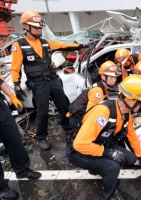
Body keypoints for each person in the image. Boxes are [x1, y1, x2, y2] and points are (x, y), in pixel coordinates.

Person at [66, 75, 141, 200]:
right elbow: (79, 144)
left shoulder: (126, 113)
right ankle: (109, 194)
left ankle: (97, 168)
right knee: (112, 167)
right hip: (78, 151)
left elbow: (131, 135)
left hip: (100, 143)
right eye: (140, 102)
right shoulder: (103, 112)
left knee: (130, 158)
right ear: (129, 100)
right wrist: (108, 153)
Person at [10, 10, 87, 150]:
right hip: (39, 84)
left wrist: (80, 46)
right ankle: (41, 138)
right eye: (36, 28)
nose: (39, 30)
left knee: (63, 107)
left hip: (53, 80)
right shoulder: (19, 45)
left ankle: (68, 129)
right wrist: (16, 85)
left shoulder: (46, 43)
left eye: (40, 28)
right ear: (26, 27)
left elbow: (63, 46)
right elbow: (15, 68)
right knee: (42, 112)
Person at [0, 74, 42, 200]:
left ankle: (22, 169)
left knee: (14, 140)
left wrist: (12, 97)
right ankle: (1, 187)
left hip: (1, 109)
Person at [67, 60, 122, 131]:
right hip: (79, 120)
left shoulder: (103, 87)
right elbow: (91, 115)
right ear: (103, 76)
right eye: (111, 77)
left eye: (115, 77)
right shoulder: (97, 91)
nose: (114, 80)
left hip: (80, 117)